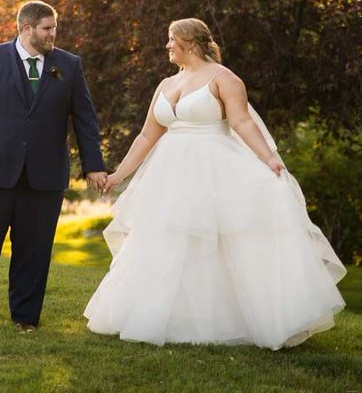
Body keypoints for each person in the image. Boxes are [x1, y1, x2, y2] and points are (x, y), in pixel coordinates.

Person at [84, 18, 345, 349]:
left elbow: (242, 121)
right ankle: (160, 316)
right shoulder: (165, 84)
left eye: (171, 40)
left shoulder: (225, 79)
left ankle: (224, 323)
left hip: (214, 171)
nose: (166, 46)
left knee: (217, 244)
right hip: (169, 175)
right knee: (165, 241)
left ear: (189, 43)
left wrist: (269, 158)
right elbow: (148, 134)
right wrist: (119, 175)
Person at [0, 0, 108, 332]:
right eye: (47, 29)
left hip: (45, 178)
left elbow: (84, 119)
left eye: (55, 28)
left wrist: (94, 165)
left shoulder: (69, 65)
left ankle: (25, 319)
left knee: (33, 252)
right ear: (26, 28)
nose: (53, 35)